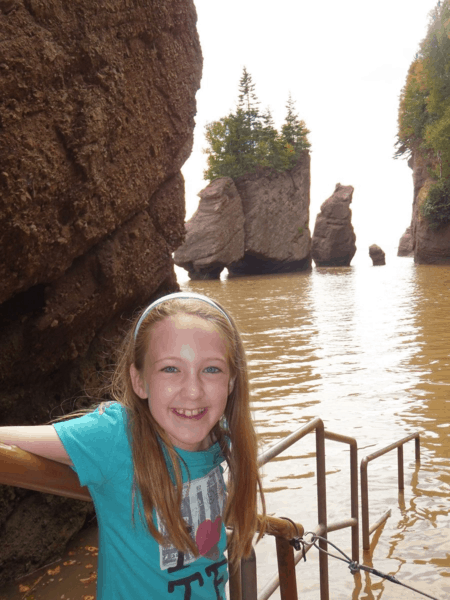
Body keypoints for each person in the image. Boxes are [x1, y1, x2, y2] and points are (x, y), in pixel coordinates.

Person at [0, 292, 266, 600]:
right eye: (170, 368)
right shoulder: (116, 436)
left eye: (211, 369)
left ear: (232, 381)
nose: (193, 391)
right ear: (139, 381)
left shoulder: (220, 436)